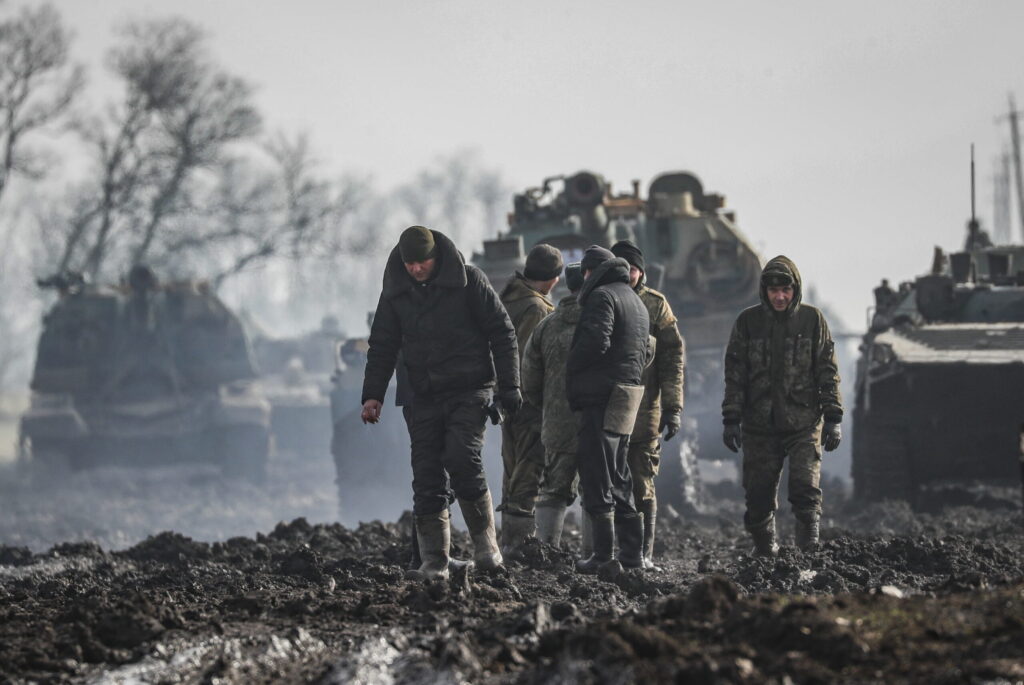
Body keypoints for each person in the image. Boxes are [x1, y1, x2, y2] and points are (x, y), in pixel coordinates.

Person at [361, 225, 521, 579]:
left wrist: (509, 388)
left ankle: (487, 549)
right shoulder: (395, 292)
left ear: (437, 257)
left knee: (463, 457)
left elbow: (502, 332)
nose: (417, 269)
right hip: (421, 395)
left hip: (470, 388)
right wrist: (373, 394)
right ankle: (435, 562)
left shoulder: (470, 282)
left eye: (423, 262)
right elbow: (383, 344)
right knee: (427, 474)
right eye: (410, 264)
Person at [721, 255, 843, 555]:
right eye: (773, 290)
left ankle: (808, 551)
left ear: (794, 290)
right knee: (758, 495)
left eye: (785, 290)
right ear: (764, 290)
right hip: (759, 423)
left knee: (805, 488)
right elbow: (735, 375)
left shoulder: (812, 321)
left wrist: (833, 417)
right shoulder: (748, 322)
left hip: (803, 420)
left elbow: (827, 371)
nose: (779, 296)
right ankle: (764, 550)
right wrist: (731, 419)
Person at [567, 246, 651, 572]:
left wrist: (572, 367)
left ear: (591, 272)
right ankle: (632, 555)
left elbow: (595, 342)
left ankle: (602, 556)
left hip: (600, 398)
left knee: (597, 475)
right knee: (620, 476)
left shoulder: (603, 297)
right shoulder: (636, 300)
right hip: (626, 397)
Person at [610, 240, 685, 570]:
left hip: (645, 408)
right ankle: (612, 551)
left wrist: (673, 407)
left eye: (634, 269)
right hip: (608, 406)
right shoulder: (600, 301)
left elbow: (672, 357)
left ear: (641, 271)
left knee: (642, 481)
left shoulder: (657, 306)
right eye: (622, 268)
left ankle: (644, 554)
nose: (629, 275)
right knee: (607, 483)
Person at [496, 243, 563, 554]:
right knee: (530, 464)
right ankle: (518, 539)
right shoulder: (537, 308)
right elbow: (528, 358)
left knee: (512, 464)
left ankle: (508, 538)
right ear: (553, 279)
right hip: (528, 400)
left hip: (506, 396)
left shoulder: (508, 299)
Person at [521, 262, 584, 547]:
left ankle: (547, 547)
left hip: (557, 423)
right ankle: (595, 553)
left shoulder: (546, 326)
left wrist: (548, 407)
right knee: (597, 489)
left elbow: (529, 378)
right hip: (596, 422)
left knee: (554, 488)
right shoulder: (603, 320)